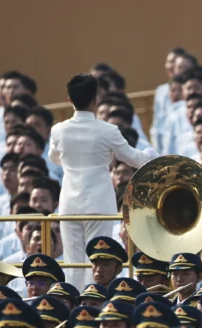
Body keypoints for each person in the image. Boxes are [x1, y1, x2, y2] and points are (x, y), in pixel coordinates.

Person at [49, 74, 158, 287]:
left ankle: (75, 304)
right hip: (98, 202)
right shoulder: (107, 130)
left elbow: (53, 158)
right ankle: (94, 301)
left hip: (69, 204)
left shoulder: (58, 130)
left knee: (73, 261)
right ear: (95, 99)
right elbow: (135, 159)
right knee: (97, 257)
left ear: (69, 99)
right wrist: (151, 154)